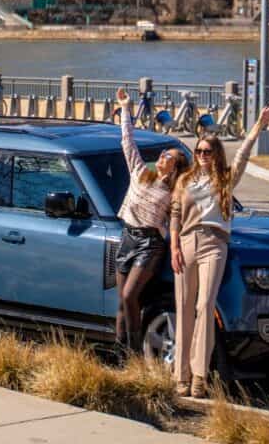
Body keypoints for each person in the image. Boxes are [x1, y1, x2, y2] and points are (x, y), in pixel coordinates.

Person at [170, 103, 269, 397]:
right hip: (187, 243)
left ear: (215, 154)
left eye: (207, 151)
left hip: (214, 244)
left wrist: (258, 127)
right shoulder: (185, 180)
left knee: (205, 306)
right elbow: (175, 215)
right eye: (198, 151)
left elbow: (243, 155)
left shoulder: (225, 180)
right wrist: (174, 247)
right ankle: (180, 375)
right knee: (184, 308)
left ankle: (199, 377)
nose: (202, 156)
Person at [115, 87, 189, 356]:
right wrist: (125, 109)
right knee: (122, 305)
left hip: (150, 243)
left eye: (168, 157)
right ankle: (123, 356)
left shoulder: (174, 191)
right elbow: (127, 142)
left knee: (129, 296)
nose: (162, 157)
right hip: (127, 237)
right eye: (162, 154)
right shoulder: (140, 172)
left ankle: (134, 352)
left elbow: (179, 220)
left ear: (176, 167)